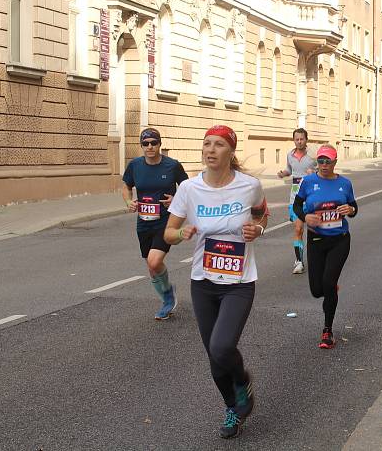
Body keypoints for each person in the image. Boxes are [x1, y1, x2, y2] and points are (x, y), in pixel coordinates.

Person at [165, 125, 268, 439]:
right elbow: (169, 232)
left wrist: (258, 230)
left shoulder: (249, 186)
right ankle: (232, 409)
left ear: (231, 151)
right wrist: (181, 234)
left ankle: (242, 381)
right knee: (214, 354)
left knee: (223, 347)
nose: (210, 150)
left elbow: (262, 215)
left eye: (219, 144)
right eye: (206, 144)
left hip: (239, 281)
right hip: (204, 281)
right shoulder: (189, 189)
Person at [293, 145, 357, 349]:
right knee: (316, 290)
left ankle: (327, 331)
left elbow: (354, 208)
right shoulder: (309, 181)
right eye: (321, 161)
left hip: (339, 239)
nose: (324, 165)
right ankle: (330, 289)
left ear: (335, 162)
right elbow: (297, 205)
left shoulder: (344, 183)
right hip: (316, 240)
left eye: (328, 161)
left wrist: (351, 209)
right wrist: (305, 217)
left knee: (328, 283)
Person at [122, 128, 188, 320]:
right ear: (141, 146)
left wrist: (175, 199)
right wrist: (128, 201)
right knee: (152, 267)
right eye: (145, 144)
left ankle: (167, 300)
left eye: (153, 143)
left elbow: (187, 189)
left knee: (154, 261)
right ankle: (167, 291)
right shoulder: (135, 165)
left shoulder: (172, 166)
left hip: (166, 222)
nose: (150, 147)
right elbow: (126, 186)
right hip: (144, 222)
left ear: (160, 144)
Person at [276, 128, 316, 275]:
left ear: (306, 139)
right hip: (295, 196)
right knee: (298, 229)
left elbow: (324, 171)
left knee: (314, 230)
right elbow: (289, 169)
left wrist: (315, 173)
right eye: (297, 139)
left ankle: (317, 257)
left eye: (302, 139)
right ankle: (299, 261)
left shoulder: (313, 156)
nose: (299, 141)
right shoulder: (290, 155)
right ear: (294, 140)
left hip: (311, 196)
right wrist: (283, 173)